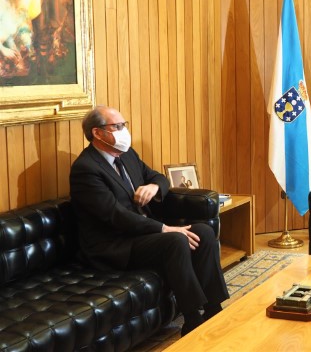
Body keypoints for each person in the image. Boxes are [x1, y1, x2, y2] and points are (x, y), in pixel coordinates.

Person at [70, 106, 229, 337]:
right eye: (117, 126)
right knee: (175, 240)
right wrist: (164, 228)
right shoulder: (86, 169)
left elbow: (158, 177)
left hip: (142, 234)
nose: (124, 131)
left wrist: (153, 186)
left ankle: (214, 309)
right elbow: (116, 216)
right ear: (97, 133)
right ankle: (193, 319)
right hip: (114, 245)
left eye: (124, 125)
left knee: (203, 232)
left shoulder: (126, 154)